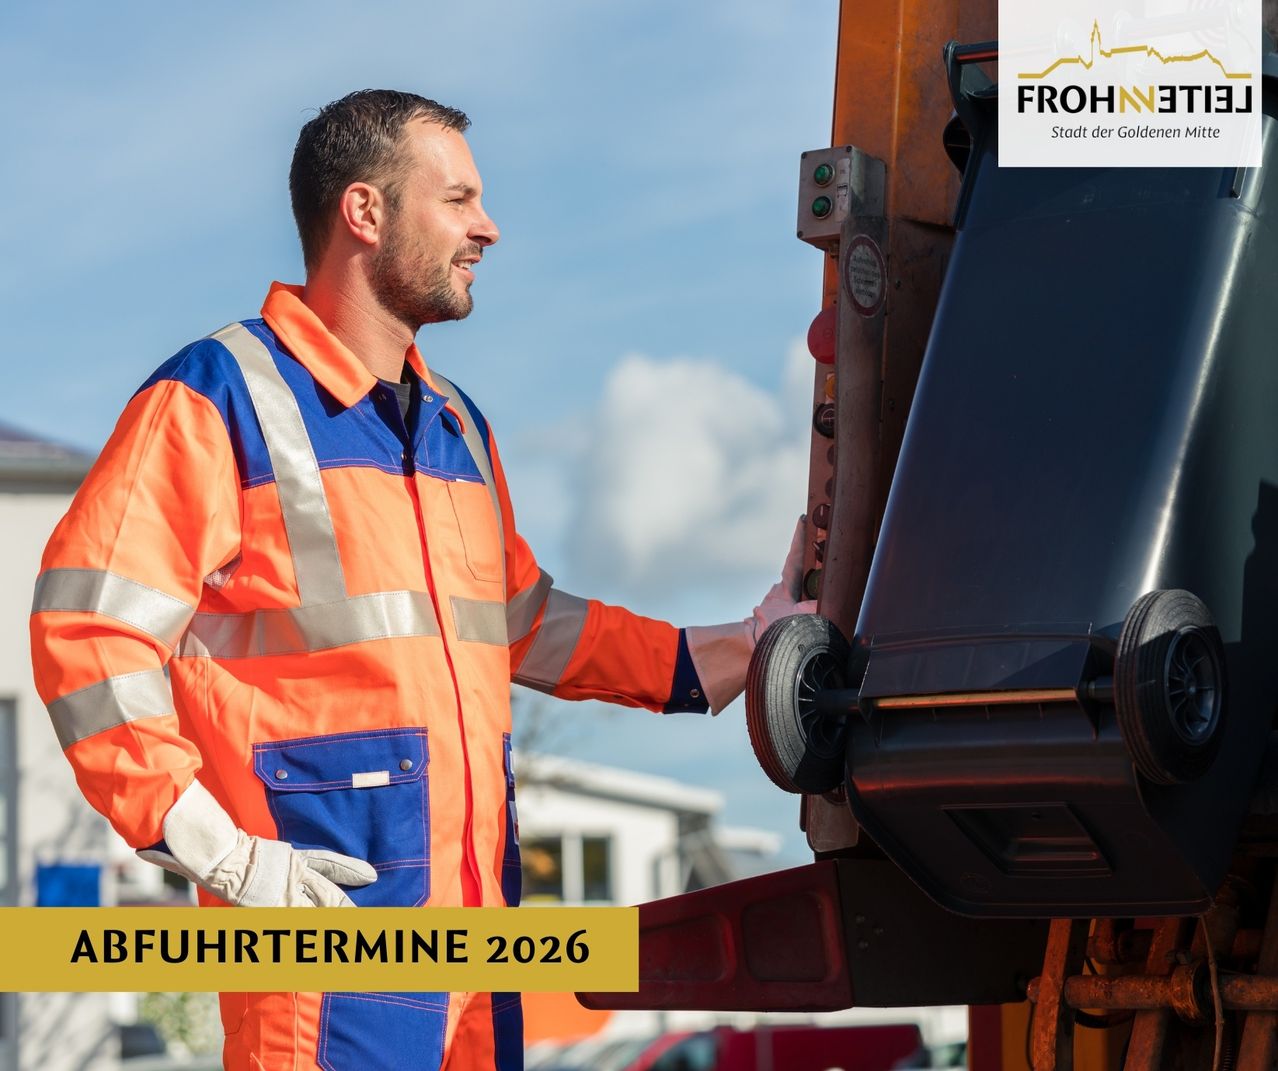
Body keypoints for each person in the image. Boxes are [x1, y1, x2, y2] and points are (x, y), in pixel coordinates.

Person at [29, 90, 812, 1070]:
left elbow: (528, 624)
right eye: (457, 199)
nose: (487, 226)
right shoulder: (217, 397)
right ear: (367, 213)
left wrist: (749, 645)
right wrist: (217, 850)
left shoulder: (457, 425)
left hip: (479, 956)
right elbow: (87, 634)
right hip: (319, 952)